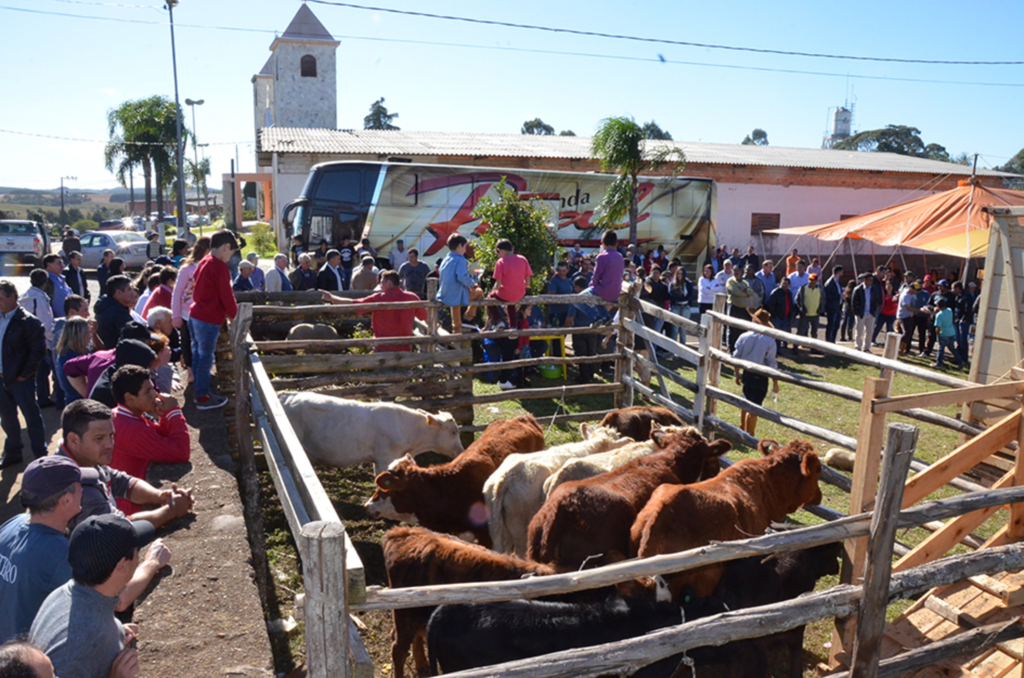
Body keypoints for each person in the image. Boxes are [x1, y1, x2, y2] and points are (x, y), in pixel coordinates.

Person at [30, 514, 155, 678]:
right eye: (136, 549)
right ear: (122, 566)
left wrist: (114, 634)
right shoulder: (89, 639)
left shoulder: (61, 594)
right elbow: (78, 645)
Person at [0, 456, 95, 643]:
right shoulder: (59, 554)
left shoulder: (13, 523)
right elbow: (111, 600)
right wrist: (151, 564)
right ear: (66, 500)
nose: (83, 490)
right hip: (27, 664)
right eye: (78, 487)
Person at [110, 365, 190, 514]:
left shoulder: (121, 415)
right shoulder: (131, 429)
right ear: (129, 397)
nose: (155, 395)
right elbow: (181, 452)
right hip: (131, 508)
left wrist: (165, 417)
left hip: (127, 499)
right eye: (148, 392)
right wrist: (174, 412)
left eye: (153, 388)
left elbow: (158, 437)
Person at [188, 229, 239, 410]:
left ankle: (199, 390)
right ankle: (202, 396)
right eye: (231, 252)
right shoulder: (219, 266)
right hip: (208, 318)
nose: (230, 257)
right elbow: (227, 295)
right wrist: (235, 316)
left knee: (198, 353)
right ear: (226, 247)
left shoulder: (205, 260)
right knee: (206, 357)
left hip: (195, 314)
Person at [0, 280, 46, 470]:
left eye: (0, 298)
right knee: (8, 418)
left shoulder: (28, 322)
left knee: (32, 417)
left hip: (20, 381)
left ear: (13, 297)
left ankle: (40, 458)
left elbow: (38, 351)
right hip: (2, 379)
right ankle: (13, 452)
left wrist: (25, 374)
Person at [320, 271, 427, 352]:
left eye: (382, 283)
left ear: (389, 283)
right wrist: (435, 327)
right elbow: (425, 317)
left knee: (383, 377)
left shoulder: (379, 298)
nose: (380, 286)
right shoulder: (412, 297)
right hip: (404, 348)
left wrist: (332, 298)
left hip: (382, 348)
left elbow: (354, 304)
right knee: (404, 377)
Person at [732, 309, 779, 436]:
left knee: (745, 401)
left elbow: (736, 356)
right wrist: (775, 382)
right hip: (761, 376)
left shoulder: (744, 336)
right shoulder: (769, 340)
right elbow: (771, 363)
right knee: (754, 408)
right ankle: (750, 435)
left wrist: (737, 373)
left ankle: (742, 428)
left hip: (747, 373)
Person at [170, 235, 209, 384]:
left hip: (204, 312)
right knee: (187, 342)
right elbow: (177, 292)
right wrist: (176, 315)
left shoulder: (209, 267)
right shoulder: (187, 268)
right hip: (187, 312)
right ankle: (191, 370)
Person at [20, 270, 60, 409]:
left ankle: (42, 398)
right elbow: (46, 324)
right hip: (43, 342)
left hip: (29, 341)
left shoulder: (25, 296)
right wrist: (54, 340)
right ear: (45, 283)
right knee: (57, 370)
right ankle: (60, 400)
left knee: (40, 373)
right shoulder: (40, 299)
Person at [436, 233, 484, 328]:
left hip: (445, 295)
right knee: (479, 292)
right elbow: (462, 277)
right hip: (457, 295)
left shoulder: (445, 259)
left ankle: (456, 331)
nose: (465, 250)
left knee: (455, 310)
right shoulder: (460, 259)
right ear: (459, 246)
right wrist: (473, 284)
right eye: (465, 247)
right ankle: (468, 318)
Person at [565, 277, 603, 384]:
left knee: (581, 354)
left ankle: (585, 377)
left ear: (577, 287)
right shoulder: (593, 297)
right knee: (591, 353)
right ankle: (591, 375)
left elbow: (570, 318)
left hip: (580, 330)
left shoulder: (577, 299)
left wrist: (564, 329)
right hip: (593, 329)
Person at [490, 239, 533, 330]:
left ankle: (498, 321)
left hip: (506, 294)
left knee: (489, 299)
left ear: (500, 250)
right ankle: (513, 326)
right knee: (511, 303)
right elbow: (528, 282)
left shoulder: (501, 262)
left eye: (497, 252)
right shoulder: (523, 259)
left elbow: (498, 284)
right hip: (520, 293)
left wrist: (492, 292)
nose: (498, 254)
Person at [55, 317, 91, 407]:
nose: (90, 335)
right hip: (79, 406)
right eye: (87, 333)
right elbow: (86, 392)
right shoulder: (71, 358)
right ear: (78, 336)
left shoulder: (72, 351)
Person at [94, 276, 137, 350]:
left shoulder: (105, 307)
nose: (133, 293)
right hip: (115, 357)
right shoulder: (118, 313)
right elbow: (135, 336)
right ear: (119, 292)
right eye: (129, 290)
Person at [725, 263, 756, 352]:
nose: (736, 273)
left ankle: (740, 349)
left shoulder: (745, 282)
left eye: (737, 271)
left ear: (741, 272)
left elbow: (751, 292)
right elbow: (734, 292)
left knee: (742, 330)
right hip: (733, 308)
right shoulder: (730, 281)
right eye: (734, 271)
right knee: (732, 330)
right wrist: (745, 293)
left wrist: (745, 290)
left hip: (743, 309)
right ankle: (731, 349)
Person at [589, 231, 626, 305]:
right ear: (616, 244)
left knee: (577, 302)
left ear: (603, 243)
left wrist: (591, 287)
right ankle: (603, 315)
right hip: (616, 292)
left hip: (602, 291)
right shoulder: (620, 256)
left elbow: (596, 276)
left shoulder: (602, 256)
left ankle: (599, 316)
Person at [931, 296, 964, 369]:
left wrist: (938, 336)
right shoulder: (949, 310)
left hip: (944, 333)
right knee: (952, 348)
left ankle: (939, 363)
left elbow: (938, 327)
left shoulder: (939, 315)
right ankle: (961, 361)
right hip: (951, 332)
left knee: (941, 349)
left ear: (938, 306)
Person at [766, 275, 795, 352]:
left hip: (785, 317)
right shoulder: (776, 292)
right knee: (773, 334)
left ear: (789, 285)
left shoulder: (789, 293)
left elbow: (790, 304)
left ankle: (778, 350)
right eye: (783, 283)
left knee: (780, 335)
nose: (785, 285)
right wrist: (775, 314)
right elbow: (770, 304)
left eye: (787, 283)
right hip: (777, 318)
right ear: (781, 283)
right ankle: (770, 350)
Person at [851, 272, 879, 352]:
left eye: (872, 280)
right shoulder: (858, 289)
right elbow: (854, 302)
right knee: (859, 331)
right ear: (864, 280)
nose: (871, 282)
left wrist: (874, 311)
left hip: (870, 313)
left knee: (870, 331)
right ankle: (858, 346)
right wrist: (857, 313)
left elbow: (876, 300)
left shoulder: (874, 289)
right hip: (861, 313)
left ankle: (866, 347)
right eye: (869, 280)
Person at [795, 272, 824, 347]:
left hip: (815, 314)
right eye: (810, 279)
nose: (811, 281)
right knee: (801, 331)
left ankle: (813, 347)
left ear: (816, 280)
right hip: (805, 314)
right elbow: (797, 299)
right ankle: (796, 346)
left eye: (813, 280)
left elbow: (823, 300)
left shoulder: (820, 289)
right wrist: (801, 308)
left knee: (814, 333)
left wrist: (821, 309)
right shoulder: (803, 288)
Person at [898, 281, 927, 356]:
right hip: (903, 316)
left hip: (910, 315)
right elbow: (908, 307)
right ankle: (899, 348)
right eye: (916, 290)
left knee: (909, 333)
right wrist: (919, 310)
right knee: (906, 333)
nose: (917, 292)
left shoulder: (913, 294)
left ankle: (902, 349)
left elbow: (913, 305)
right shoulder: (905, 295)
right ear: (911, 289)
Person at [42, 255, 71, 320]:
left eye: (62, 263)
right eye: (59, 263)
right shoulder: (46, 281)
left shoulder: (61, 279)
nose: (62, 266)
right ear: (49, 265)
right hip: (55, 322)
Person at [667, 266, 693, 344]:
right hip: (676, 307)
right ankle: (673, 350)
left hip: (685, 307)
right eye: (678, 274)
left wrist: (680, 298)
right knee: (675, 328)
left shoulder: (688, 283)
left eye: (681, 274)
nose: (679, 276)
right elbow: (671, 295)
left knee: (683, 329)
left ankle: (683, 350)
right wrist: (680, 298)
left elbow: (690, 296)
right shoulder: (672, 284)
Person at [872, 280, 899, 347]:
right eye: (887, 285)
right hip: (883, 314)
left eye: (890, 285)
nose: (888, 287)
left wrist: (897, 297)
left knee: (889, 329)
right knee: (878, 327)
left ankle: (887, 343)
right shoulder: (883, 294)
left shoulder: (896, 295)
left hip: (892, 315)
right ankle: (872, 340)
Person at [954, 280, 975, 363]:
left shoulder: (966, 296)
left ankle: (964, 358)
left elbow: (968, 309)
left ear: (958, 288)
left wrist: (963, 318)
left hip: (964, 321)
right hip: (957, 319)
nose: (952, 290)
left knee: (963, 340)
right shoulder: (958, 297)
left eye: (953, 288)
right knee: (958, 340)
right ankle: (958, 358)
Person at [823, 266, 844, 344]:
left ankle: (833, 340)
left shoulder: (838, 282)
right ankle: (828, 341)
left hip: (838, 307)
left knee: (836, 325)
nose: (842, 274)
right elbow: (827, 296)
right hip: (831, 308)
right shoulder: (829, 283)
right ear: (838, 272)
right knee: (831, 325)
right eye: (841, 272)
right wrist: (839, 296)